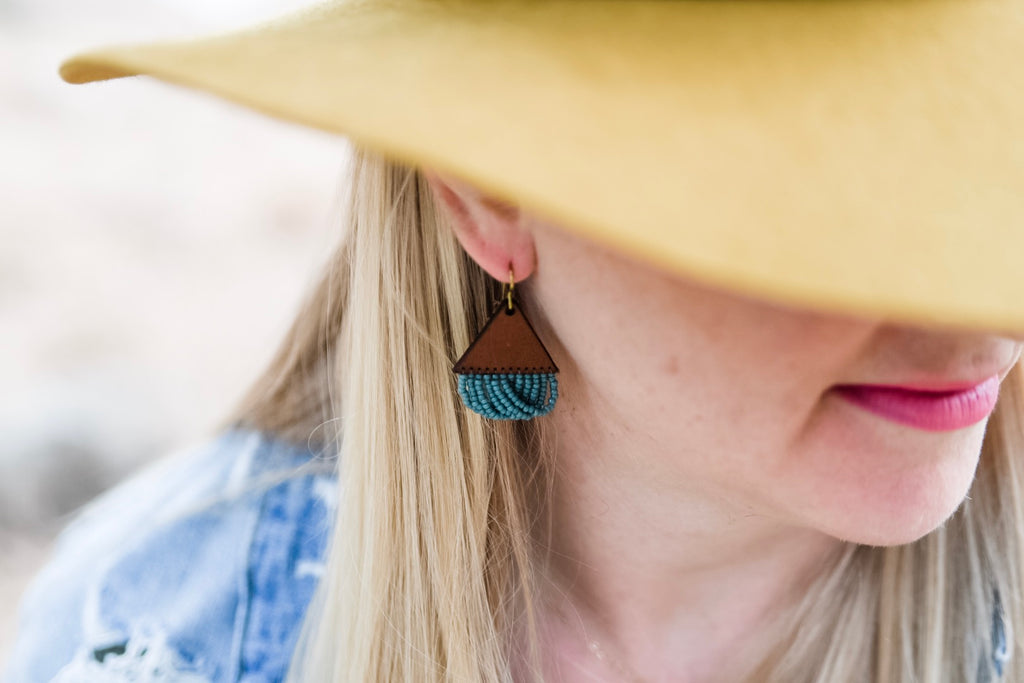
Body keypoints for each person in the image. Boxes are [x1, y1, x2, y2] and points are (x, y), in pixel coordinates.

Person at [8, 0, 1024, 681]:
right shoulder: (163, 637)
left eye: (994, 162)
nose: (982, 308)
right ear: (489, 191)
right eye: (839, 191)